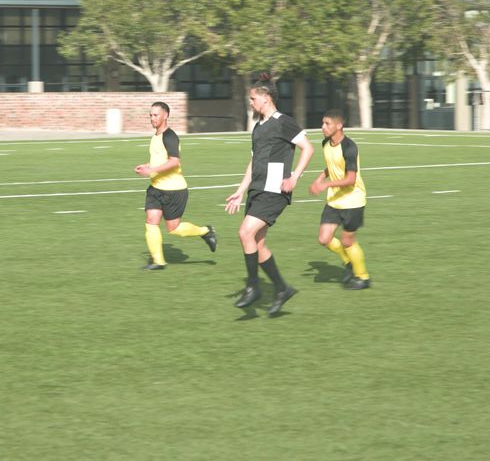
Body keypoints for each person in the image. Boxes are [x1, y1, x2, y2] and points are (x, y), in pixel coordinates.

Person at [225, 81, 314, 315]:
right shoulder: (258, 127)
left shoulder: (283, 122)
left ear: (266, 98)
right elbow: (254, 162)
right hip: (257, 189)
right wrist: (241, 190)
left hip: (275, 189)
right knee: (257, 243)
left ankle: (253, 287)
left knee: (245, 232)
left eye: (253, 99)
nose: (251, 103)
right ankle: (282, 289)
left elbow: (308, 148)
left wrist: (295, 176)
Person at [134, 101, 217, 271]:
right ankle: (158, 261)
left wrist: (152, 170)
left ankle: (205, 231)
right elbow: (160, 159)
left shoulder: (170, 136)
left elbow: (174, 161)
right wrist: (147, 166)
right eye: (150, 115)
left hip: (174, 190)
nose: (152, 118)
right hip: (156, 188)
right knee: (151, 220)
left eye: (155, 115)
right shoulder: (156, 136)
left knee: (173, 228)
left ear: (166, 115)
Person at [308, 109, 370, 290]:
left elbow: (350, 179)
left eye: (327, 124)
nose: (323, 127)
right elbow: (332, 164)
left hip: (353, 201)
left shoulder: (350, 147)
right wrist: (320, 177)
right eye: (322, 123)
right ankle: (349, 263)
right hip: (335, 200)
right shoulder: (326, 143)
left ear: (339, 125)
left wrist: (325, 185)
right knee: (324, 238)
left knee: (347, 241)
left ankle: (363, 277)